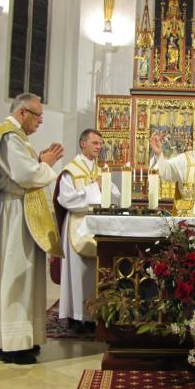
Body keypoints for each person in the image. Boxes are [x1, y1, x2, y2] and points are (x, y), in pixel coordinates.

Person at [0, 93, 65, 365]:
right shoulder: (8, 136)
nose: (40, 121)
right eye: (38, 116)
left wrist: (39, 159)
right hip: (13, 216)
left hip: (20, 212)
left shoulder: (16, 138)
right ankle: (11, 345)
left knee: (24, 276)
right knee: (15, 276)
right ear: (23, 113)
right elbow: (26, 176)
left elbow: (23, 169)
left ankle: (22, 339)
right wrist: (46, 164)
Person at [54, 129, 121, 331]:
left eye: (100, 143)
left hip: (97, 225)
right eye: (94, 142)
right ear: (82, 144)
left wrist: (106, 187)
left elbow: (115, 195)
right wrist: (95, 188)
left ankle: (92, 316)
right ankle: (76, 316)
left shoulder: (100, 170)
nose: (98, 147)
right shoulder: (70, 171)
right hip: (78, 224)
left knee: (95, 272)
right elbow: (67, 200)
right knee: (78, 271)